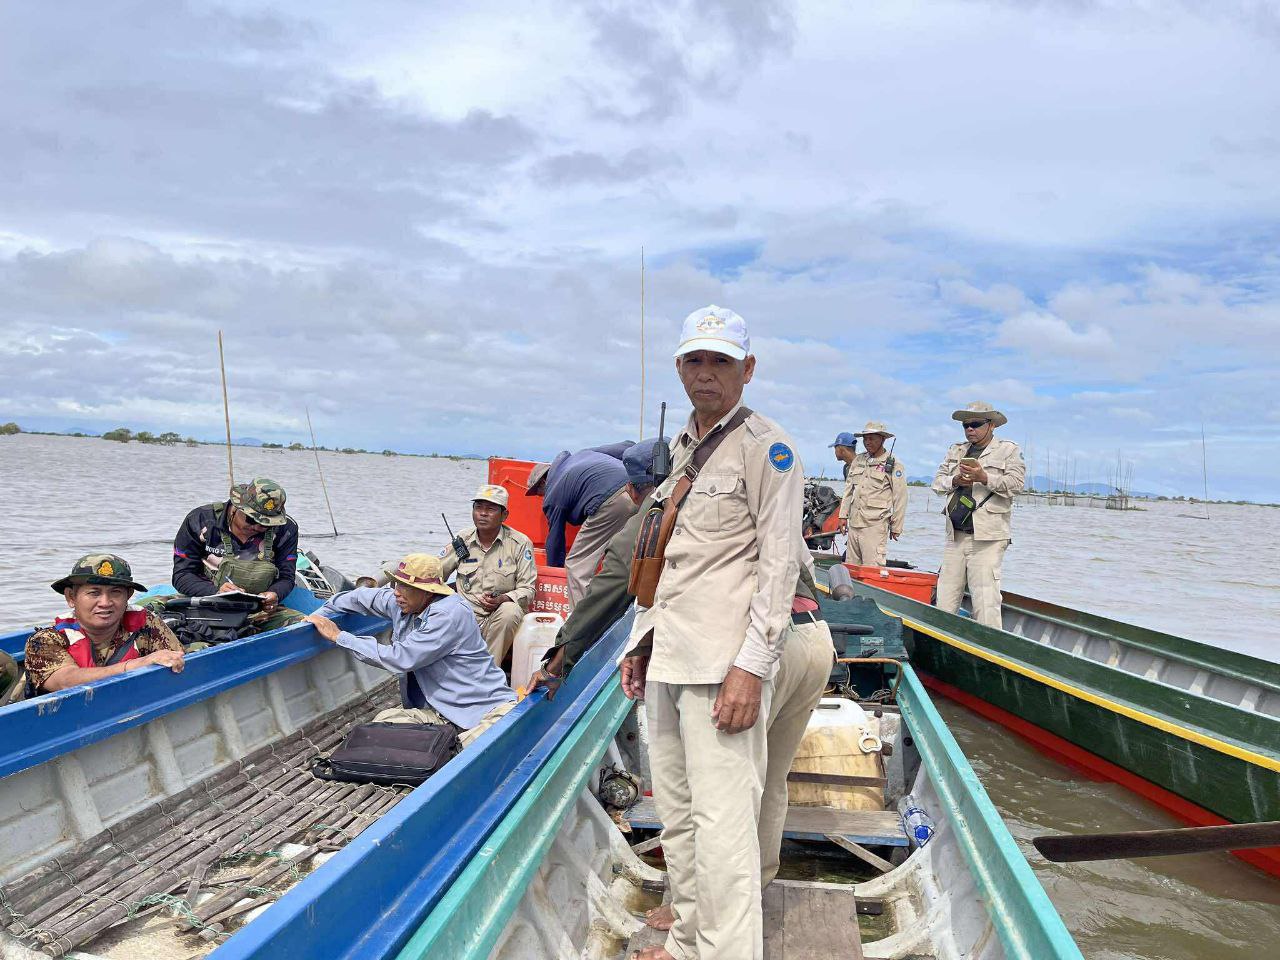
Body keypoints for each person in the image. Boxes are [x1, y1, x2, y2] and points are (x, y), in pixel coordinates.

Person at [527, 439, 833, 934]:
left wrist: (562, 657)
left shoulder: (666, 502)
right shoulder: (755, 488)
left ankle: (695, 921)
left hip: (753, 655)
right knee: (767, 782)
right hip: (813, 638)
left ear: (634, 489)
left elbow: (615, 578)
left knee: (704, 798)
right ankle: (749, 896)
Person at [620, 304, 804, 960]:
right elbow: (672, 558)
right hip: (670, 656)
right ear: (678, 367)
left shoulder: (768, 449)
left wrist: (751, 666)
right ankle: (688, 943)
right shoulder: (680, 450)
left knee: (724, 833)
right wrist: (641, 640)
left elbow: (778, 568)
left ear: (747, 370)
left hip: (722, 666)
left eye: (721, 361)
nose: (706, 373)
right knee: (678, 817)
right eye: (695, 360)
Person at [304, 554, 517, 748]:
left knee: (481, 745)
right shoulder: (400, 601)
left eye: (406, 587)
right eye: (397, 584)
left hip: (484, 710)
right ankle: (445, 747)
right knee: (384, 722)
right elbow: (358, 597)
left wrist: (338, 636)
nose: (397, 592)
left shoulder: (447, 614)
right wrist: (317, 616)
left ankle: (452, 749)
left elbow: (400, 658)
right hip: (441, 713)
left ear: (428, 592)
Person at [23, 554, 185, 696]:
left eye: (116, 592)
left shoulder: (146, 623)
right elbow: (65, 682)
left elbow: (177, 660)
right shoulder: (45, 641)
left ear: (128, 596)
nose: (105, 603)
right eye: (94, 593)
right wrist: (138, 664)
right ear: (71, 597)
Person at [932, 402, 1026, 629]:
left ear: (991, 425)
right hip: (955, 536)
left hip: (988, 538)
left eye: (975, 424)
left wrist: (983, 478)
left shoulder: (1008, 450)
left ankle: (990, 645)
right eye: (966, 425)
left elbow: (1016, 485)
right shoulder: (956, 450)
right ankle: (943, 643)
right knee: (945, 600)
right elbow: (937, 483)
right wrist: (955, 480)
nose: (969, 429)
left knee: (985, 601)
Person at [169, 478, 303, 631]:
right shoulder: (200, 520)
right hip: (204, 605)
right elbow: (182, 575)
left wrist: (275, 594)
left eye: (265, 524)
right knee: (152, 611)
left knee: (306, 624)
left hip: (258, 611)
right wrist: (217, 592)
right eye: (251, 519)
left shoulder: (286, 529)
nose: (257, 527)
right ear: (237, 507)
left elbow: (287, 577)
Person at [527, 441, 638, 607]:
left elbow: (555, 539)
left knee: (577, 565)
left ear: (543, 482)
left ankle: (580, 619)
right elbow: (627, 446)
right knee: (619, 557)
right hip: (639, 490)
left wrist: (556, 572)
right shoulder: (583, 455)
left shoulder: (553, 493)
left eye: (538, 493)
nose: (541, 497)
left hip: (613, 500)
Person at [438, 484, 537, 666]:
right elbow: (436, 574)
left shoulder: (520, 543)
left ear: (504, 515)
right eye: (478, 507)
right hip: (465, 615)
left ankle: (487, 671)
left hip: (498, 618)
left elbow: (528, 589)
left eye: (490, 509)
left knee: (510, 611)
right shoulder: (462, 539)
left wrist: (503, 599)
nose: (483, 513)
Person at [843, 421, 908, 567]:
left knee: (872, 569)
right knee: (850, 568)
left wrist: (896, 526)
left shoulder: (894, 464)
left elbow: (900, 497)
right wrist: (842, 516)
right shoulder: (858, 460)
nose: (867, 442)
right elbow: (848, 490)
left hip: (875, 525)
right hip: (854, 523)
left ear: (882, 439)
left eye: (872, 438)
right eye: (865, 439)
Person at [830, 430, 857, 527]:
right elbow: (849, 491)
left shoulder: (863, 466)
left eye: (835, 448)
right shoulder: (846, 468)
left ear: (841, 449)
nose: (834, 452)